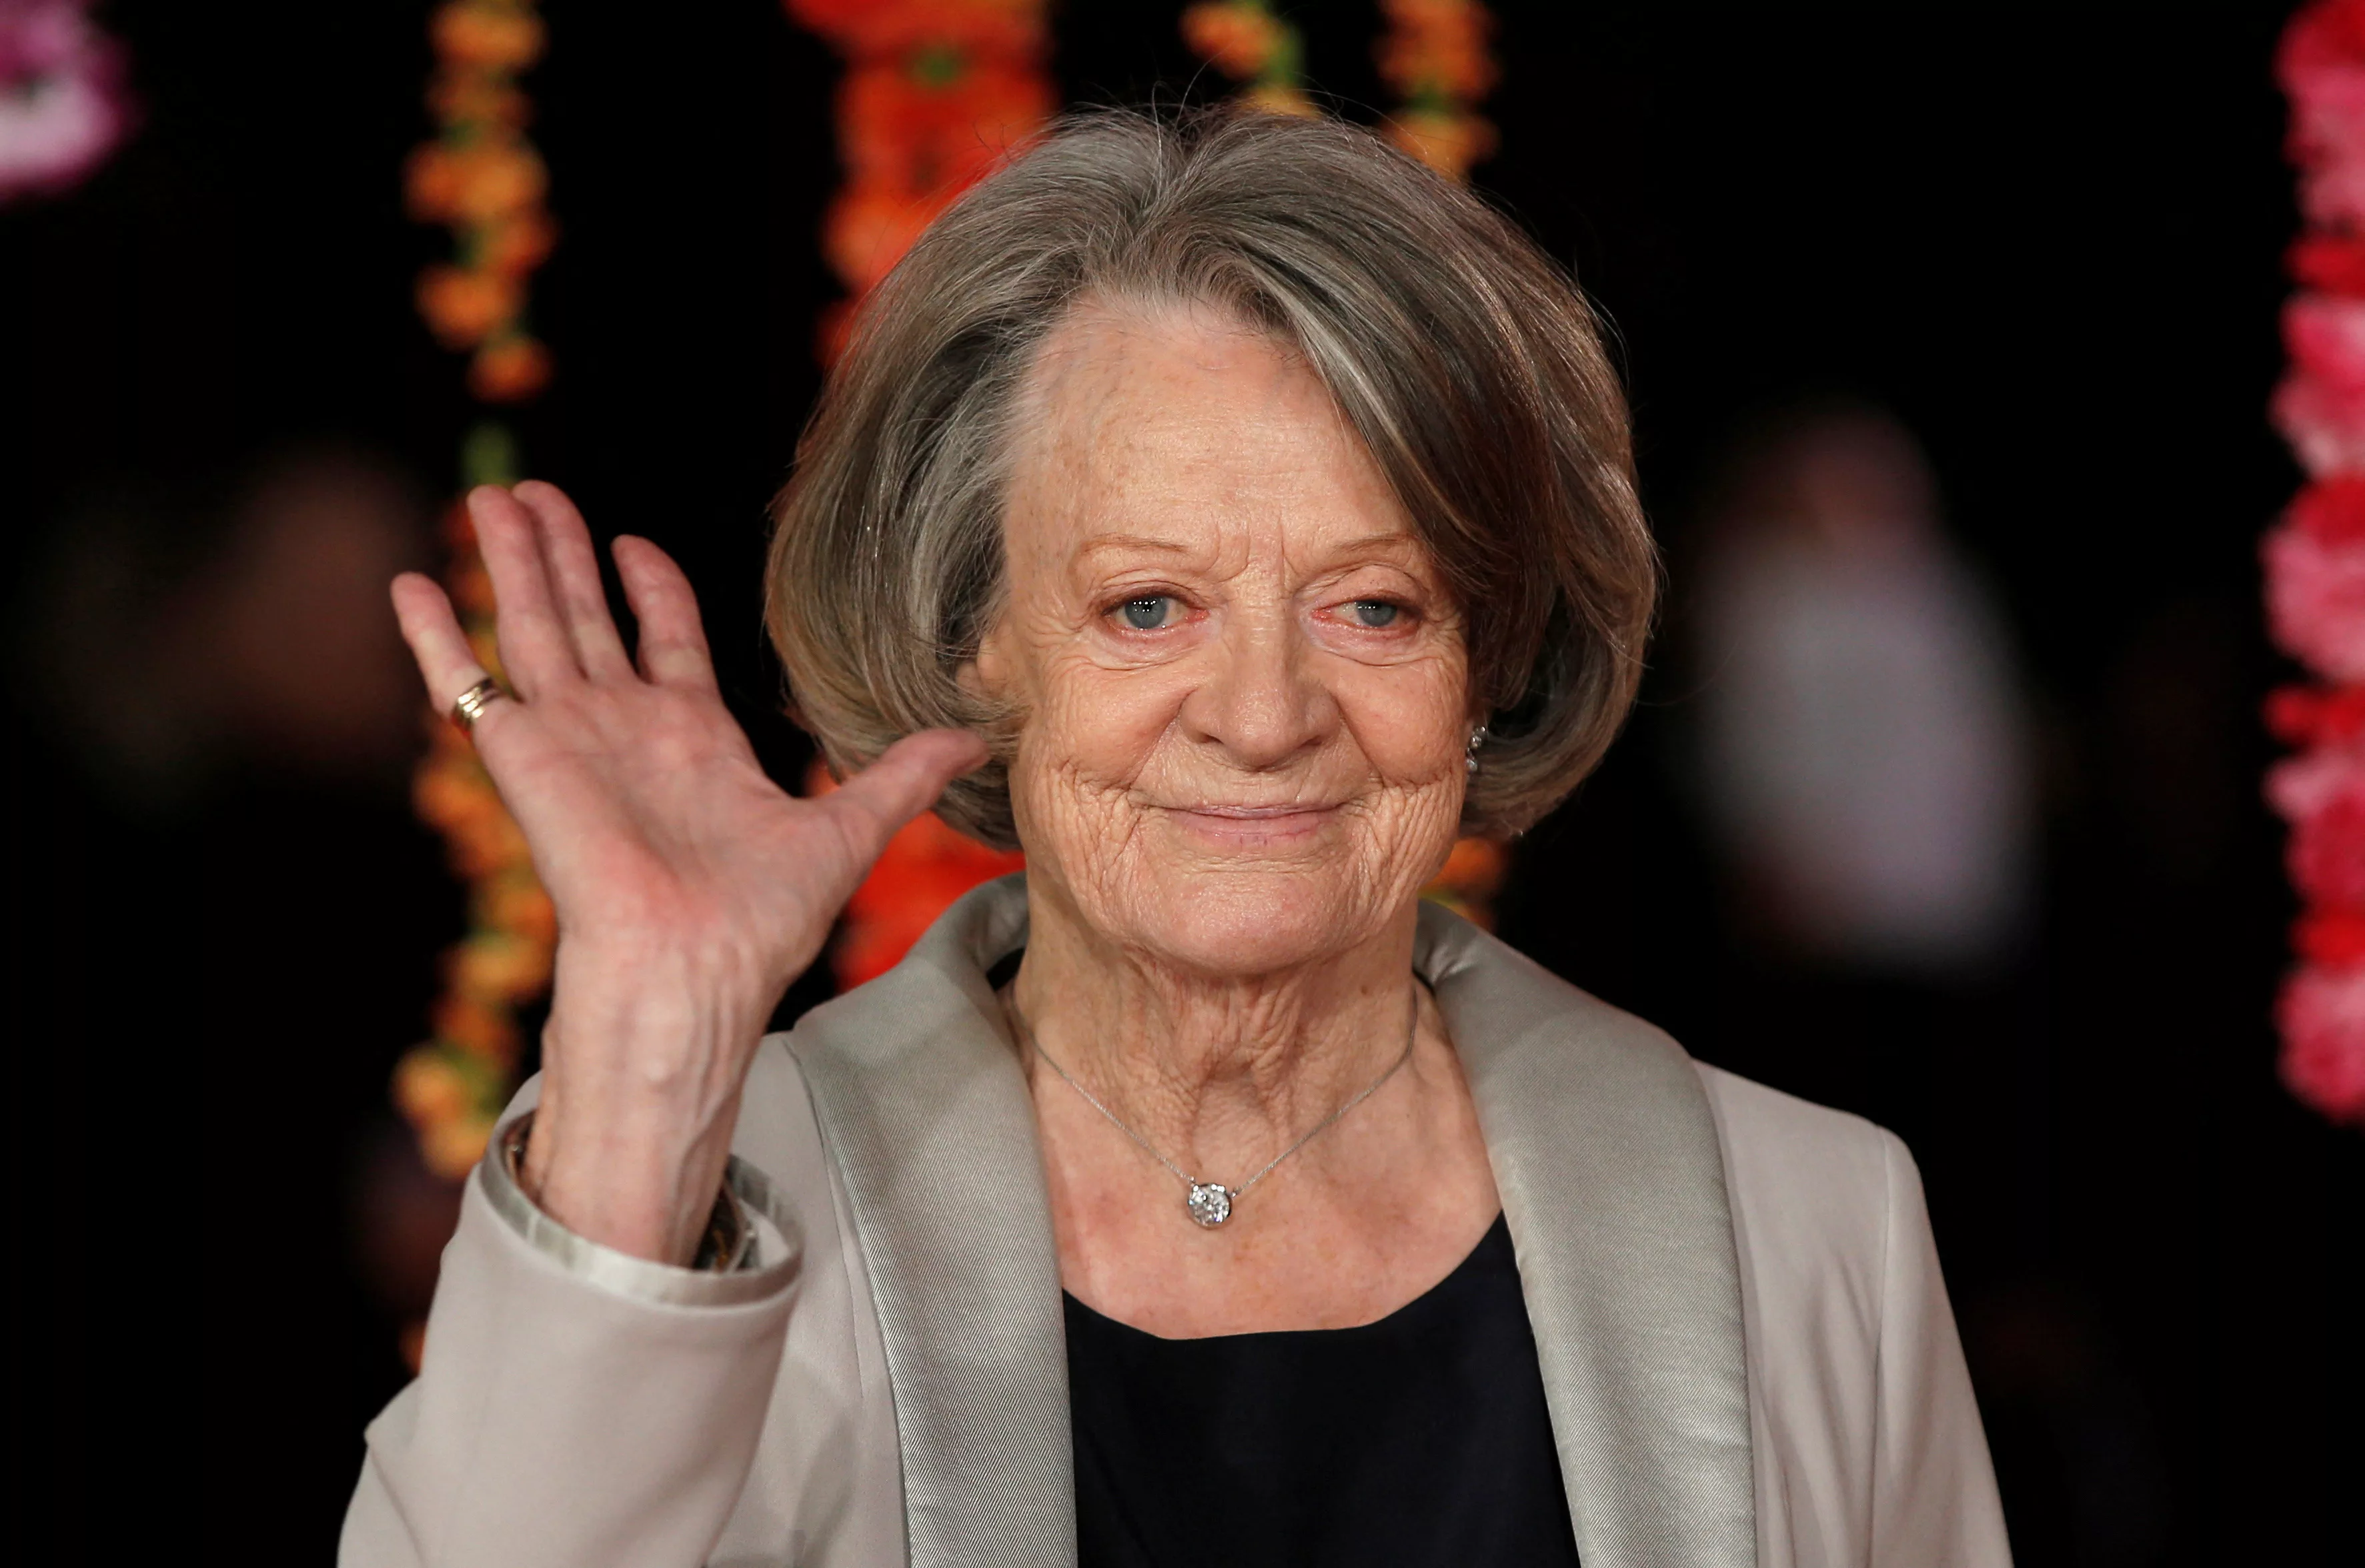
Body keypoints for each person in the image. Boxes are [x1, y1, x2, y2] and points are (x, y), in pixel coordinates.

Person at [343, 111, 2008, 1568]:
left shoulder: (1813, 1221)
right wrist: (644, 1039)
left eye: (1375, 605)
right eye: (1149, 605)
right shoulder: (689, 1191)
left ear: (1490, 657)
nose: (1265, 709)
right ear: (976, 638)